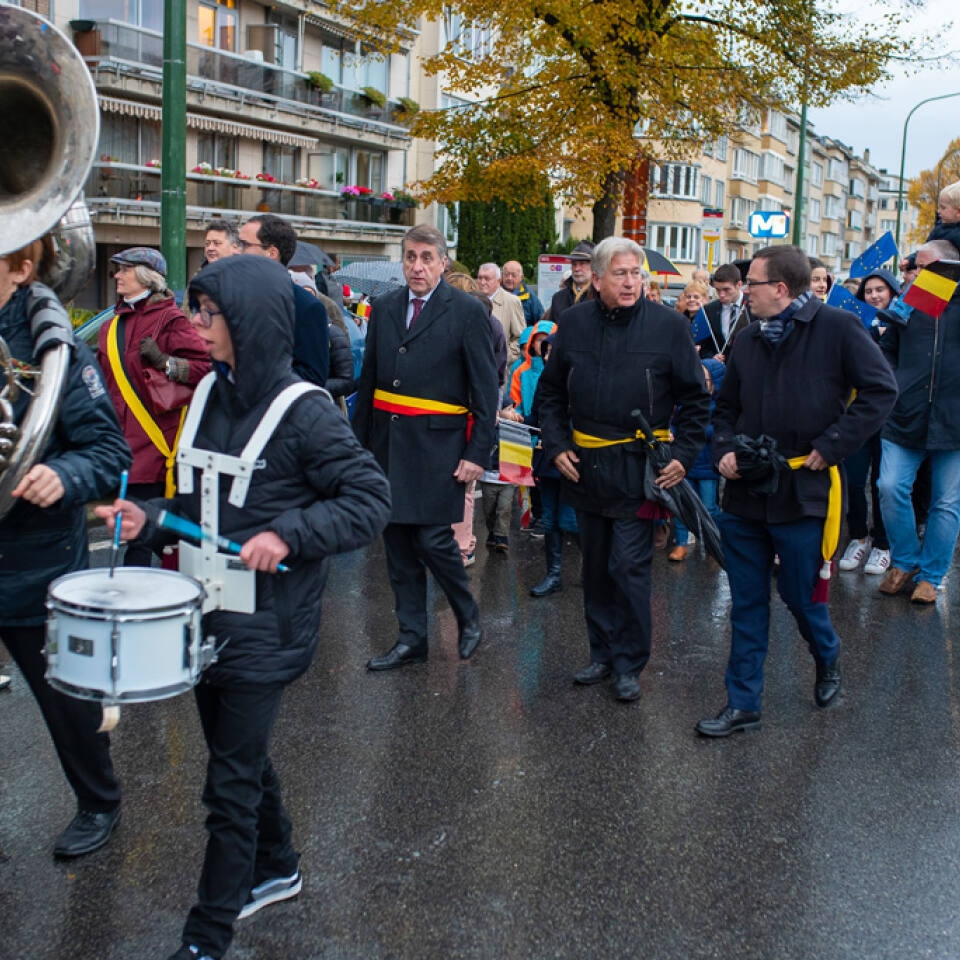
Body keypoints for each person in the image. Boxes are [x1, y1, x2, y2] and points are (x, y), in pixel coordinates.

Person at [96, 255, 391, 960]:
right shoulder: (208, 393)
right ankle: (278, 865)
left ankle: (207, 935)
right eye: (198, 309)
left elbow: (369, 499)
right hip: (206, 611)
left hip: (268, 622)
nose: (197, 324)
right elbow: (200, 502)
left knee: (227, 785)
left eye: (210, 313)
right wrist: (150, 519)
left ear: (250, 321)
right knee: (240, 758)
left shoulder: (305, 411)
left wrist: (288, 533)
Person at [697, 245, 897, 737]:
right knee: (747, 601)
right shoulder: (747, 339)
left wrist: (832, 445)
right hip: (746, 490)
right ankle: (743, 703)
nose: (746, 292)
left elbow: (881, 391)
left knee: (800, 595)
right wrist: (724, 449)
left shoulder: (838, 329)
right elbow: (726, 409)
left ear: (781, 289)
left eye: (753, 283)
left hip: (804, 490)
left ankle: (827, 654)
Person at [1, 235, 131, 858]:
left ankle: (99, 800)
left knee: (68, 702)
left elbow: (107, 452)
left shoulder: (58, 350)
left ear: (21, 269)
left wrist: (62, 474)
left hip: (34, 561)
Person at [537, 237, 711, 702]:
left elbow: (696, 399)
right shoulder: (574, 323)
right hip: (586, 466)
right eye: (621, 273)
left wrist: (683, 456)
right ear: (597, 279)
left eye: (636, 273)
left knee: (629, 567)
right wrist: (556, 446)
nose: (631, 281)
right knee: (595, 568)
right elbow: (550, 393)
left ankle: (630, 663)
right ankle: (602, 653)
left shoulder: (669, 326)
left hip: (641, 469)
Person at [354, 224, 499, 669]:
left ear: (442, 263)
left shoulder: (467, 311)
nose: (417, 267)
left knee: (434, 540)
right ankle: (412, 639)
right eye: (410, 257)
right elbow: (369, 381)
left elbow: (485, 391)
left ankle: (467, 615)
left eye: (426, 258)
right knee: (398, 546)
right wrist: (357, 450)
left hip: (439, 445)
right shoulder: (384, 307)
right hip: (389, 445)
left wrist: (477, 454)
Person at [97, 246, 210, 566]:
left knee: (142, 536)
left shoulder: (171, 320)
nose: (117, 276)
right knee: (141, 532)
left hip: (156, 443)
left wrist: (166, 363)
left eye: (125, 270)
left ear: (146, 277)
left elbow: (206, 370)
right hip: (120, 444)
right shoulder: (110, 326)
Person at [876, 238, 960, 604]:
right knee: (889, 486)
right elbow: (886, 351)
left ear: (950, 269)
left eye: (924, 267)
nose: (915, 273)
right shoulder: (909, 303)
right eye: (915, 267)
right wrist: (895, 383)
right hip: (904, 415)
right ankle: (905, 561)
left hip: (953, 421)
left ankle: (931, 576)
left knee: (946, 502)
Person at [837, 268, 900, 577]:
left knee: (883, 484)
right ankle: (859, 537)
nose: (874, 296)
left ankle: (883, 544)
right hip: (859, 413)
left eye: (880, 290)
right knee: (854, 479)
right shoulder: (854, 324)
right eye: (869, 291)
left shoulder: (903, 322)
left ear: (892, 292)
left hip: (892, 417)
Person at [238, 214, 329, 386]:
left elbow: (313, 376)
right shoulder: (232, 295)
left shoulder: (306, 307)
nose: (236, 251)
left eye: (244, 245)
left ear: (271, 253)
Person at [670, 358, 725, 562]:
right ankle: (681, 543)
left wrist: (695, 429)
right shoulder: (687, 403)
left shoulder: (720, 407)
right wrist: (672, 432)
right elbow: (675, 422)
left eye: (705, 378)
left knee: (709, 508)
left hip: (708, 466)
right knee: (682, 505)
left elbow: (720, 429)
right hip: (685, 463)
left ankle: (714, 543)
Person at [477, 262, 526, 364]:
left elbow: (521, 337)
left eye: (487, 279)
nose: (482, 282)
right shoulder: (471, 299)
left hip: (501, 368)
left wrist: (504, 356)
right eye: (480, 278)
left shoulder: (511, 301)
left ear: (498, 281)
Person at [702, 263, 752, 359]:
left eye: (726, 289)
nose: (721, 294)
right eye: (718, 290)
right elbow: (703, 345)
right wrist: (712, 357)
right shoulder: (709, 310)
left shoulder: (753, 306)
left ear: (739, 285)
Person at [549, 241, 595, 323]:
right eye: (574, 264)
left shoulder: (601, 296)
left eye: (582, 264)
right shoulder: (558, 298)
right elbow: (552, 327)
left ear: (593, 266)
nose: (577, 269)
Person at [502, 259, 544, 326]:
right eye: (506, 274)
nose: (509, 278)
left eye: (513, 275)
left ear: (521, 277)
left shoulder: (530, 297)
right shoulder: (495, 294)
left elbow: (541, 323)